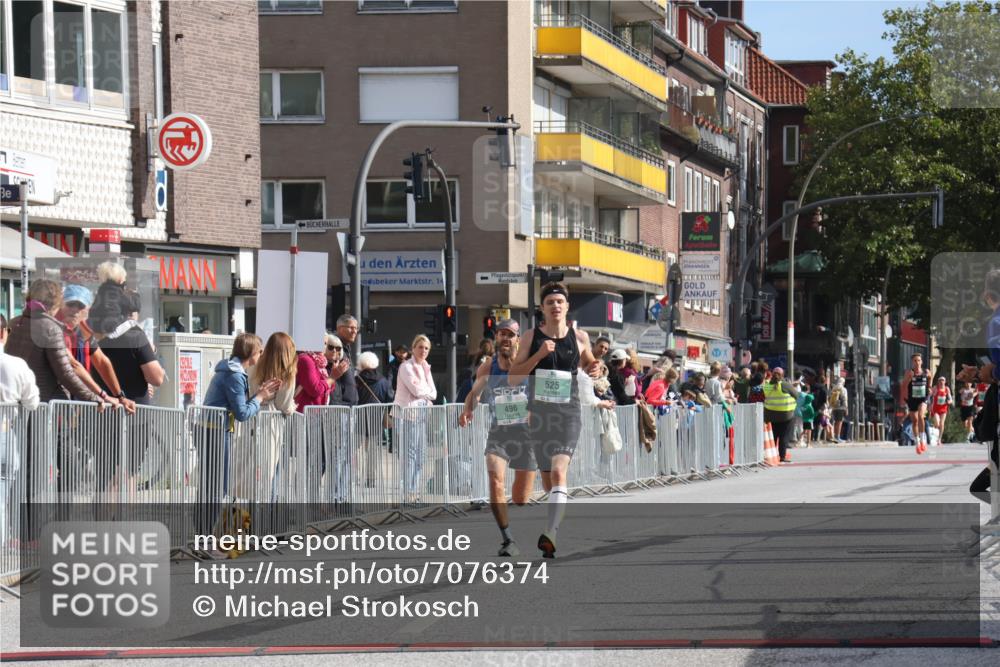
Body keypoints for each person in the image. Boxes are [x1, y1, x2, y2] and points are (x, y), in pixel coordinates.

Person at [508, 282, 600, 558]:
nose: (555, 306)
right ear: (542, 308)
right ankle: (554, 523)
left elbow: (591, 363)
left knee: (559, 472)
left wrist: (595, 368)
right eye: (550, 302)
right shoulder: (530, 337)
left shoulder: (579, 337)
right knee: (549, 482)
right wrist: (539, 355)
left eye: (560, 301)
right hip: (540, 417)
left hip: (568, 414)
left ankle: (551, 533)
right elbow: (513, 378)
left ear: (567, 307)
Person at [459, 319, 537, 556]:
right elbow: (475, 393)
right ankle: (508, 539)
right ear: (496, 338)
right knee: (495, 480)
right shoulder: (488, 367)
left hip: (527, 436)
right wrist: (468, 409)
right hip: (499, 434)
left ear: (517, 339)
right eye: (501, 334)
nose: (505, 338)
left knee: (520, 498)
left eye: (510, 335)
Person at [198, 334, 280, 538]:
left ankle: (206, 534)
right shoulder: (234, 374)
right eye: (260, 351)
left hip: (215, 429)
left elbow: (239, 408)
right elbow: (242, 414)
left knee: (213, 485)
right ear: (252, 353)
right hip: (216, 431)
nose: (261, 355)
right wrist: (259, 397)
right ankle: (206, 536)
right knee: (216, 486)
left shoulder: (231, 370)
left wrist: (258, 396)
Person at [56, 284, 131, 413]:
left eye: (80, 306)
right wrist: (104, 395)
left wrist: (120, 396)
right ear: (61, 305)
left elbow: (101, 361)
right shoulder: (54, 327)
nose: (75, 310)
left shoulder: (83, 330)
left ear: (87, 309)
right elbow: (73, 366)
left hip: (73, 400)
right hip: (52, 397)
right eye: (71, 304)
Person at [0, 313, 40, 542]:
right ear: (4, 333)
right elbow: (32, 402)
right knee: (2, 495)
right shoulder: (16, 365)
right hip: (5, 434)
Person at [247, 332, 297, 500]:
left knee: (252, 469)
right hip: (271, 424)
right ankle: (269, 509)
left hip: (251, 416)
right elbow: (283, 405)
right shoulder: (287, 373)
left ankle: (252, 508)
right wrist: (292, 406)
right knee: (271, 468)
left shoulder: (255, 366)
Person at [395, 335, 437, 503]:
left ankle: (414, 491)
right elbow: (416, 391)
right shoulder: (406, 366)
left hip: (422, 415)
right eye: (420, 347)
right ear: (413, 349)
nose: (423, 351)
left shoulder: (426, 367)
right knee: (410, 455)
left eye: (426, 348)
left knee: (420, 455)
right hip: (408, 415)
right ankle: (408, 493)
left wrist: (425, 392)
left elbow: (434, 393)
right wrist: (426, 392)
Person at [356, 351, 394, 487]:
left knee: (354, 450)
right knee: (372, 451)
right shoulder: (383, 381)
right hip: (376, 419)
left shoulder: (356, 380)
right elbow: (389, 398)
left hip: (358, 419)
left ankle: (354, 477)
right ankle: (371, 479)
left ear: (361, 364)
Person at [764, 367, 800, 463]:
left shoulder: (767, 385)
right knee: (784, 436)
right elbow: (796, 395)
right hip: (786, 415)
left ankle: (772, 455)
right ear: (782, 375)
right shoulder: (785, 385)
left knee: (773, 436)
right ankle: (782, 456)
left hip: (771, 415)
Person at [901, 353, 931, 454]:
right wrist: (909, 379)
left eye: (918, 360)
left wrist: (929, 387)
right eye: (915, 361)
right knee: (915, 421)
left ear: (921, 362)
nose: (917, 362)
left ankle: (923, 439)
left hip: (923, 398)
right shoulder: (909, 372)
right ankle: (917, 442)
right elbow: (904, 384)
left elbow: (930, 378)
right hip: (912, 398)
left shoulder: (926, 372)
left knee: (921, 416)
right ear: (912, 362)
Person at [830, 377, 849, 442]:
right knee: (839, 422)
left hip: (834, 407)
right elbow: (845, 399)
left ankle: (834, 436)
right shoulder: (843, 389)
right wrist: (846, 408)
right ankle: (837, 437)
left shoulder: (834, 388)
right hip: (841, 408)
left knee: (835, 422)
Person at [812, 372, 829, 440]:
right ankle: (816, 437)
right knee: (819, 422)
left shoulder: (813, 386)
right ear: (824, 381)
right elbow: (825, 399)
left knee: (813, 421)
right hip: (820, 406)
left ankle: (811, 437)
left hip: (813, 406)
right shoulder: (824, 388)